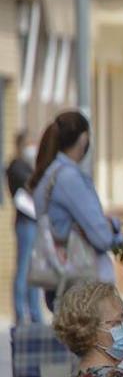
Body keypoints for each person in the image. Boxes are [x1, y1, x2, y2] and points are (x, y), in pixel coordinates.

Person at [30, 110, 123, 295]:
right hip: (84, 283)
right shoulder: (69, 178)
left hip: (59, 276)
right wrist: (113, 227)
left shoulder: (48, 174)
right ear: (83, 139)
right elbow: (101, 237)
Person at [7, 129, 41, 323]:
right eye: (30, 143)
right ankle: (20, 313)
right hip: (25, 223)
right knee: (23, 268)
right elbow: (32, 185)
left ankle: (35, 313)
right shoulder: (16, 166)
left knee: (33, 270)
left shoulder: (28, 165)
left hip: (33, 221)